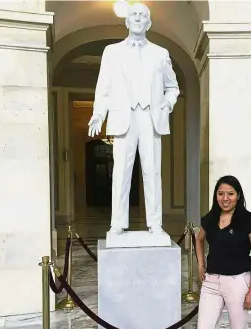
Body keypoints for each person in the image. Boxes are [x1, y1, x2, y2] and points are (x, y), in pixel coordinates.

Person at [88, 3, 179, 235]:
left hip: (151, 118)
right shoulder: (112, 52)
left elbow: (173, 87)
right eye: (133, 15)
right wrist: (98, 114)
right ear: (126, 21)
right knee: (121, 172)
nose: (138, 18)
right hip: (123, 118)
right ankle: (117, 222)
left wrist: (167, 104)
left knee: (153, 172)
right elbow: (104, 88)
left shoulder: (161, 53)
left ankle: (155, 224)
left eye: (142, 16)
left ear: (149, 23)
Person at [196, 175, 251, 329]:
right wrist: (201, 265)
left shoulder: (249, 221)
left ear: (238, 195)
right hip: (211, 283)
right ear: (216, 195)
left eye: (230, 194)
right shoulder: (210, 218)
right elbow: (199, 240)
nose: (225, 198)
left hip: (238, 283)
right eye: (220, 194)